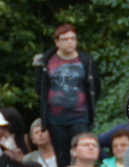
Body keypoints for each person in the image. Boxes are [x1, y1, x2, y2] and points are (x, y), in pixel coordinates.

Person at [33, 23, 101, 158]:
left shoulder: (86, 61)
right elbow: (39, 87)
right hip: (55, 117)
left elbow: (95, 87)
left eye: (72, 39)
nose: (70, 42)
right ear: (57, 42)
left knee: (82, 150)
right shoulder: (46, 61)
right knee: (61, 155)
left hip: (80, 115)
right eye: (65, 39)